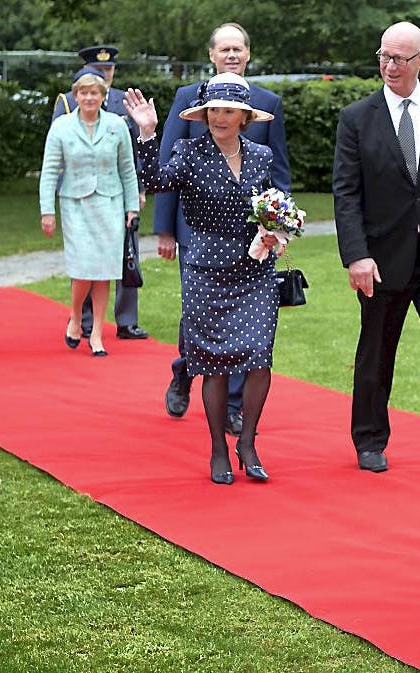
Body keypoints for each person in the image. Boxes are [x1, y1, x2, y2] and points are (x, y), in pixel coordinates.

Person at [125, 73, 282, 485]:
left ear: (244, 117)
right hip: (206, 271)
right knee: (212, 362)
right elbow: (156, 182)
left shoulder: (262, 156)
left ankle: (247, 442)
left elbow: (270, 205)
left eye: (228, 110)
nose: (219, 117)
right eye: (213, 110)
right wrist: (146, 134)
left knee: (259, 357)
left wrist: (275, 230)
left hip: (255, 271)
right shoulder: (187, 152)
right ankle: (218, 450)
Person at [332, 21, 420, 476]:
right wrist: (355, 255)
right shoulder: (357, 117)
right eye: (384, 56)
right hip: (380, 260)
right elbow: (346, 193)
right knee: (376, 352)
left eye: (399, 58)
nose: (389, 66)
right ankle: (369, 439)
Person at [155, 22, 290, 437]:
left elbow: (277, 175)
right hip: (197, 234)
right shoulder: (188, 99)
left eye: (238, 49)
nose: (231, 55)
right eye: (224, 49)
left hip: (249, 240)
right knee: (199, 318)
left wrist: (277, 224)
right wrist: (164, 230)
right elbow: (166, 168)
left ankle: (233, 406)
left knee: (244, 328)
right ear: (212, 55)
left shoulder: (268, 103)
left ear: (248, 54)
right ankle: (184, 369)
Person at [52, 45, 150, 342]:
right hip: (82, 193)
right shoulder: (68, 102)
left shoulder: (124, 101)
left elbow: (133, 152)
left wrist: (140, 190)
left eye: (108, 70)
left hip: (118, 189)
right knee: (86, 257)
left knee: (127, 253)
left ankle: (126, 321)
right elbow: (58, 152)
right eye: (98, 70)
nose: (104, 75)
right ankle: (82, 320)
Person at [39, 69, 139, 357]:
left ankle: (96, 332)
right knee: (83, 267)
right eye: (83, 92)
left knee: (105, 271)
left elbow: (127, 170)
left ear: (103, 96)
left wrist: (131, 207)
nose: (88, 98)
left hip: (110, 202)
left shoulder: (116, 125)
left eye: (94, 93)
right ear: (76, 95)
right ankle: (74, 316)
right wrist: (47, 211)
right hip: (75, 203)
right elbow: (49, 172)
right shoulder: (62, 127)